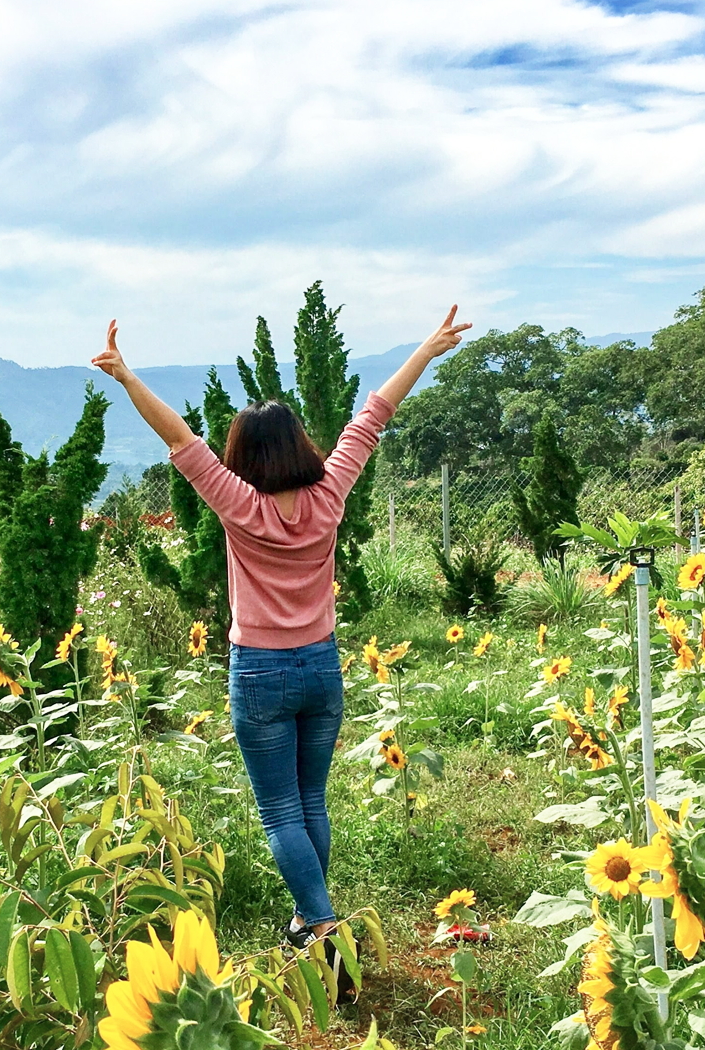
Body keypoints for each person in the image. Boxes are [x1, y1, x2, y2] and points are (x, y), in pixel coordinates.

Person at [92, 308, 472, 963]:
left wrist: (126, 377)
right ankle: (305, 922)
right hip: (321, 670)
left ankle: (325, 932)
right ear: (299, 443)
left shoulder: (239, 504)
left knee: (279, 813)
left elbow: (180, 439)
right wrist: (426, 350)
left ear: (243, 456)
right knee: (310, 802)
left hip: (261, 673)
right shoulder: (330, 493)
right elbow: (374, 413)